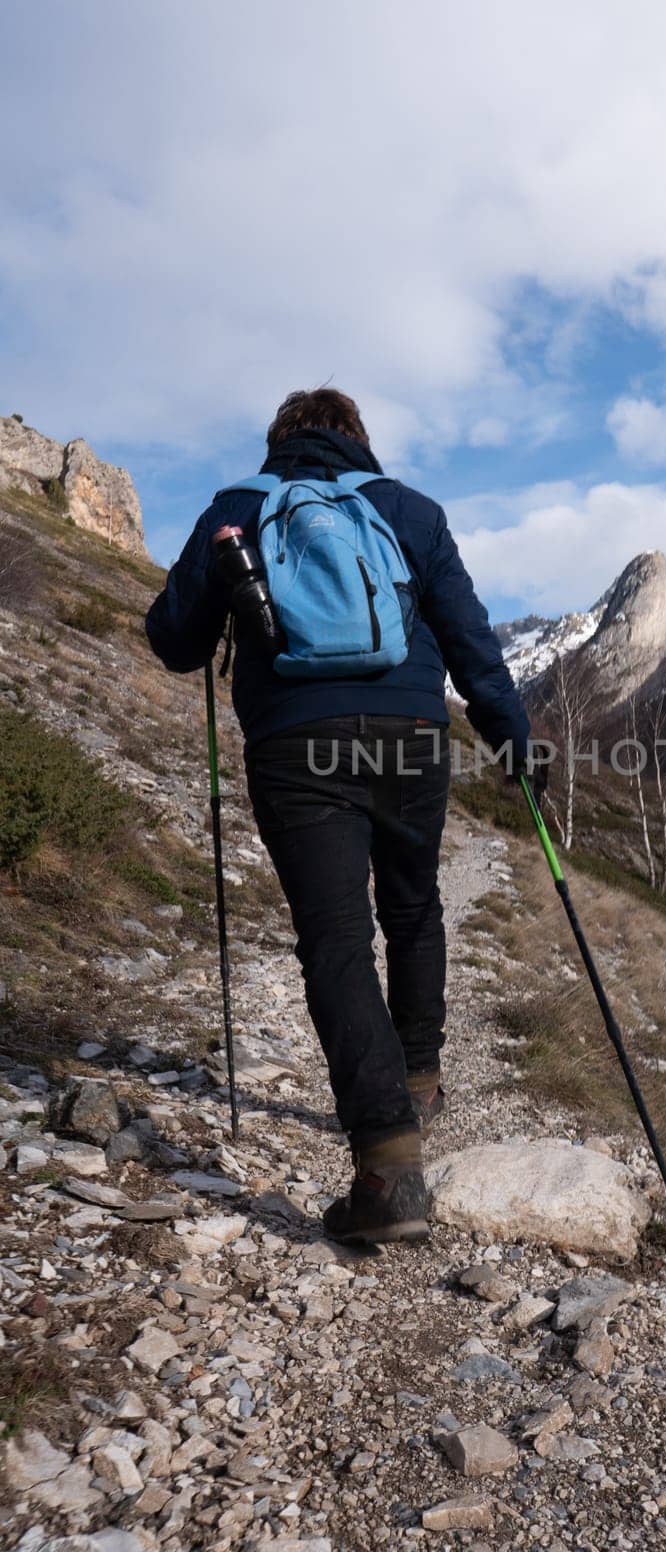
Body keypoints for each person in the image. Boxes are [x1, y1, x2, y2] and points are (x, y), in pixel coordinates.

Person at [145, 386, 536, 1245]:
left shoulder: (236, 512)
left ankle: (389, 1170)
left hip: (295, 741)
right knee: (413, 906)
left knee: (335, 941)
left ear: (277, 444)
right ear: (357, 441)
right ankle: (421, 1077)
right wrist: (515, 744)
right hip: (409, 735)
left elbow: (174, 643)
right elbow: (471, 641)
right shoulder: (408, 511)